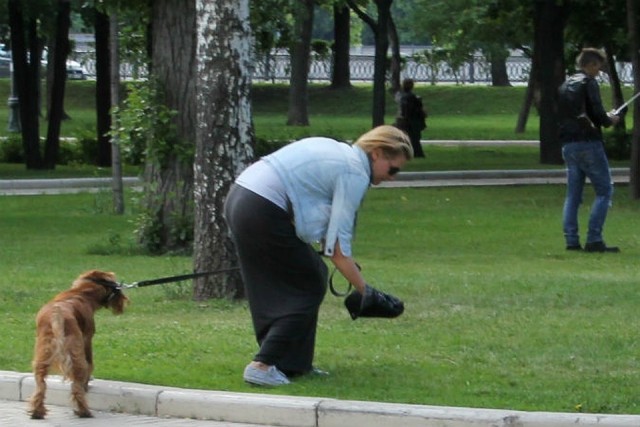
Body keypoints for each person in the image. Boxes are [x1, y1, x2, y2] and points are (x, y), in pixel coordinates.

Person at [224, 125, 413, 386]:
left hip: (242, 197)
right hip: (260, 206)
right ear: (378, 153)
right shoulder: (354, 171)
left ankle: (294, 365)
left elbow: (328, 235)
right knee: (311, 282)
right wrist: (368, 293)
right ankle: (262, 365)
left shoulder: (341, 155)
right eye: (393, 169)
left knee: (300, 276)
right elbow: (337, 247)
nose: (393, 177)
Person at [557, 48, 621, 253]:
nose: (599, 71)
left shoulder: (566, 84)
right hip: (589, 142)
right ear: (591, 65)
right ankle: (594, 238)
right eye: (598, 67)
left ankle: (571, 240)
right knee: (605, 191)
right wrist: (609, 119)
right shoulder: (588, 83)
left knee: (573, 194)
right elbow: (596, 111)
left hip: (568, 144)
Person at [395, 78, 427, 158]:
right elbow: (418, 110)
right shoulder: (413, 98)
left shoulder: (402, 96)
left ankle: (411, 153)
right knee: (414, 139)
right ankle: (417, 153)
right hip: (412, 121)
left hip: (404, 120)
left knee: (407, 138)